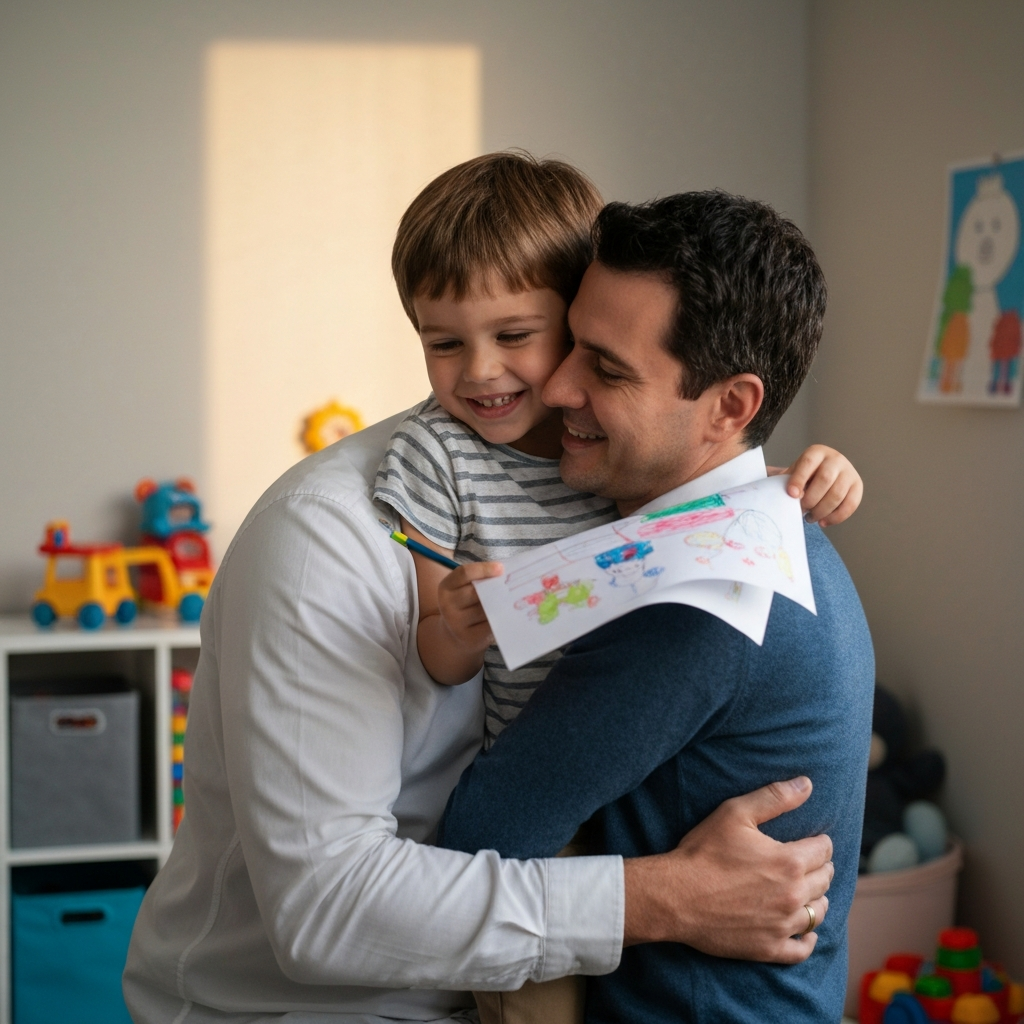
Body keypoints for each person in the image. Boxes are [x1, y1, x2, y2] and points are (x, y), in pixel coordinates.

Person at [122, 181, 837, 1024]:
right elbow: (325, 910)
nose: (497, 371)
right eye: (445, 342)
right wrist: (668, 898)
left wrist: (812, 474)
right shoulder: (326, 539)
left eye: (578, 353)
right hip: (302, 1007)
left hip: (490, 973)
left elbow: (698, 432)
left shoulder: (617, 483)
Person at [438, 191, 876, 1023]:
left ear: (731, 408)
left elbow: (476, 845)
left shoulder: (695, 598)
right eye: (570, 342)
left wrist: (661, 894)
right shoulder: (782, 526)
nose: (558, 385)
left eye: (605, 368)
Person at [374, 152, 862, 747]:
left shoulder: (602, 434)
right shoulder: (437, 455)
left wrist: (824, 472)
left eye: (515, 336)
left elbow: (714, 482)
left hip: (643, 728)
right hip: (538, 753)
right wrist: (457, 633)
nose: (479, 370)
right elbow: (436, 652)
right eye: (444, 343)